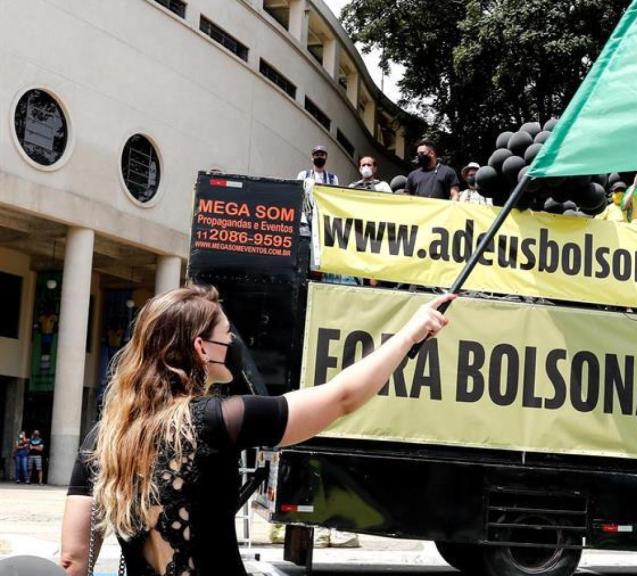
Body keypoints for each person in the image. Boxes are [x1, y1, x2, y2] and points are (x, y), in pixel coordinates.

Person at [59, 285, 453, 576]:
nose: (233, 342)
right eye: (226, 335)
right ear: (201, 348)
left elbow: (74, 560)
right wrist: (410, 334)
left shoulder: (105, 439)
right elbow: (342, 398)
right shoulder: (219, 419)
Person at [296, 145, 340, 226]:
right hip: (305, 220)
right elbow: (297, 195)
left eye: (322, 155)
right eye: (316, 155)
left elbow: (335, 199)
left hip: (323, 221)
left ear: (326, 157)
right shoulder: (303, 175)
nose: (319, 157)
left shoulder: (333, 179)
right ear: (312, 158)